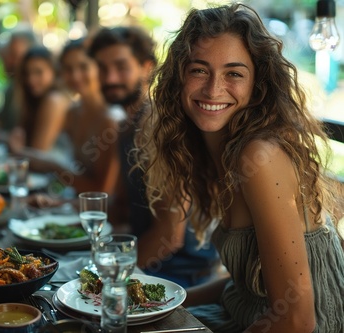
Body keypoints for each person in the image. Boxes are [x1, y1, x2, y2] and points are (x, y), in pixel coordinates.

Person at [136, 3, 344, 332]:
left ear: (257, 84)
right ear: (179, 77)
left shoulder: (258, 157)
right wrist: (160, 302)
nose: (213, 89)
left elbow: (296, 320)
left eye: (233, 73)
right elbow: (248, 289)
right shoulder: (210, 153)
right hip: (241, 317)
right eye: (199, 70)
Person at [88, 26, 220, 287]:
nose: (110, 77)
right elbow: (122, 209)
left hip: (181, 275)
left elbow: (170, 236)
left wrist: (108, 279)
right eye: (102, 68)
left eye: (121, 66)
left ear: (147, 67)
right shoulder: (126, 126)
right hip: (146, 261)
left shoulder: (157, 126)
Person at [19, 38, 123, 195]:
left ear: (98, 68)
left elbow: (103, 191)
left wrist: (54, 167)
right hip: (74, 201)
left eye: (83, 67)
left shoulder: (110, 119)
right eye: (68, 69)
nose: (75, 76)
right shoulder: (73, 113)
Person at [8, 45, 71, 158]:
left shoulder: (55, 100)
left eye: (38, 72)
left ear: (54, 72)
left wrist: (15, 148)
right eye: (27, 73)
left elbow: (38, 154)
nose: (31, 80)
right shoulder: (34, 100)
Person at [0, 25, 38, 133]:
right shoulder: (12, 88)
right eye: (6, 55)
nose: (8, 61)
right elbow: (1, 121)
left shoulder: (37, 91)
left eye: (14, 55)